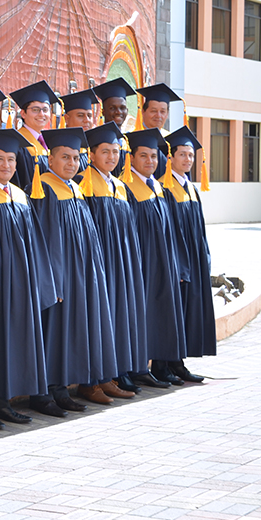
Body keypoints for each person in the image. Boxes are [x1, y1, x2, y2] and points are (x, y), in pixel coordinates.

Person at [0, 129, 57, 429]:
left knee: (9, 343)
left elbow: (34, 243)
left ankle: (3, 401)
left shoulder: (18, 194)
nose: (6, 165)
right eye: (0, 159)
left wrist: (39, 281)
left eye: (11, 160)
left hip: (19, 282)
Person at [26, 128, 115, 414]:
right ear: (49, 159)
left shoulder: (75, 187)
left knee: (69, 334)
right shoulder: (45, 188)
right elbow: (45, 241)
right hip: (60, 279)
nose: (71, 163)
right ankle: (44, 394)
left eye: (76, 158)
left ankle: (62, 389)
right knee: (53, 333)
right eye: (64, 157)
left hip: (80, 276)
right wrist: (54, 282)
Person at [77, 122, 148, 396]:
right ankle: (90, 381)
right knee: (99, 318)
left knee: (117, 317)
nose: (111, 157)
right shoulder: (86, 183)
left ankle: (110, 375)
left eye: (116, 151)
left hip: (121, 263)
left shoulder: (119, 185)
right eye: (105, 151)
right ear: (92, 154)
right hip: (102, 262)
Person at [121, 128, 187, 389]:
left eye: (154, 156)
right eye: (144, 156)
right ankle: (138, 367)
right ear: (132, 159)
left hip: (162, 260)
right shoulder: (127, 188)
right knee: (143, 313)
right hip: (143, 261)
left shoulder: (158, 187)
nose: (150, 161)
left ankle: (161, 365)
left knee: (162, 311)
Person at [154, 126, 216, 382]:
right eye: (183, 155)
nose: (188, 160)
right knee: (171, 310)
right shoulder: (164, 188)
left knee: (187, 309)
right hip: (177, 261)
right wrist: (178, 264)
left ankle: (178, 361)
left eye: (191, 156)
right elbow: (169, 233)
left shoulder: (190, 187)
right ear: (170, 158)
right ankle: (161, 365)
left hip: (193, 258)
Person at [10, 81, 59, 190]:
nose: (41, 114)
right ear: (23, 113)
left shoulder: (49, 142)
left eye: (45, 110)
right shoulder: (18, 143)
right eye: (35, 110)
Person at [135, 84, 183, 182]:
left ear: (167, 114)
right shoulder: (133, 138)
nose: (158, 116)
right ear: (143, 111)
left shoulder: (171, 140)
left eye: (162, 111)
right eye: (153, 111)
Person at [92, 78, 136, 176]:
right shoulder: (94, 140)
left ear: (127, 111)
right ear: (103, 112)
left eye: (122, 108)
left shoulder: (130, 142)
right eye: (112, 108)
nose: (118, 112)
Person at [58, 89, 99, 172]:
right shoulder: (60, 148)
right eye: (80, 115)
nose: (86, 120)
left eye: (89, 116)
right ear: (66, 119)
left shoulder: (93, 148)